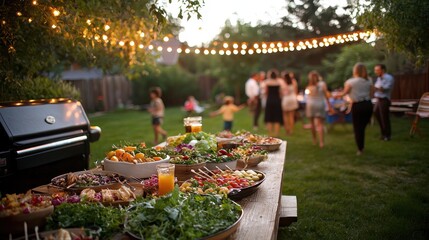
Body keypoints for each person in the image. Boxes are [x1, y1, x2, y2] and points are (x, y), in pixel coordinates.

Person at [336, 63, 373, 155]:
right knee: (362, 127)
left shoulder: (351, 82)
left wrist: (335, 95)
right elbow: (372, 93)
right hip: (368, 104)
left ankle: (360, 149)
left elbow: (344, 93)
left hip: (358, 105)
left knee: (357, 128)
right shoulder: (369, 80)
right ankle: (362, 146)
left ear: (355, 71)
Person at [305, 71, 334, 148]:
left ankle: (314, 140)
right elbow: (326, 96)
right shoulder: (323, 84)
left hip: (311, 105)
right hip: (320, 104)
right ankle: (321, 143)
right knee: (320, 124)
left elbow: (307, 97)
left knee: (312, 124)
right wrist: (330, 107)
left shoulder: (309, 87)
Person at [374, 64, 394, 141]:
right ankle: (383, 134)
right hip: (378, 100)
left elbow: (384, 89)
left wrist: (375, 87)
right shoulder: (379, 78)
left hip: (384, 100)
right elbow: (377, 88)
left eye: (377, 70)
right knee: (376, 113)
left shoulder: (389, 78)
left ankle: (388, 136)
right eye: (375, 70)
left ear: (382, 70)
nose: (375, 72)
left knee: (384, 118)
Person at [264, 69, 285, 137]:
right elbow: (281, 92)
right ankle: (276, 134)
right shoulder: (279, 82)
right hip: (277, 100)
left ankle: (270, 133)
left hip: (269, 100)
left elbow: (265, 92)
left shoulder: (267, 82)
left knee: (269, 117)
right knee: (277, 117)